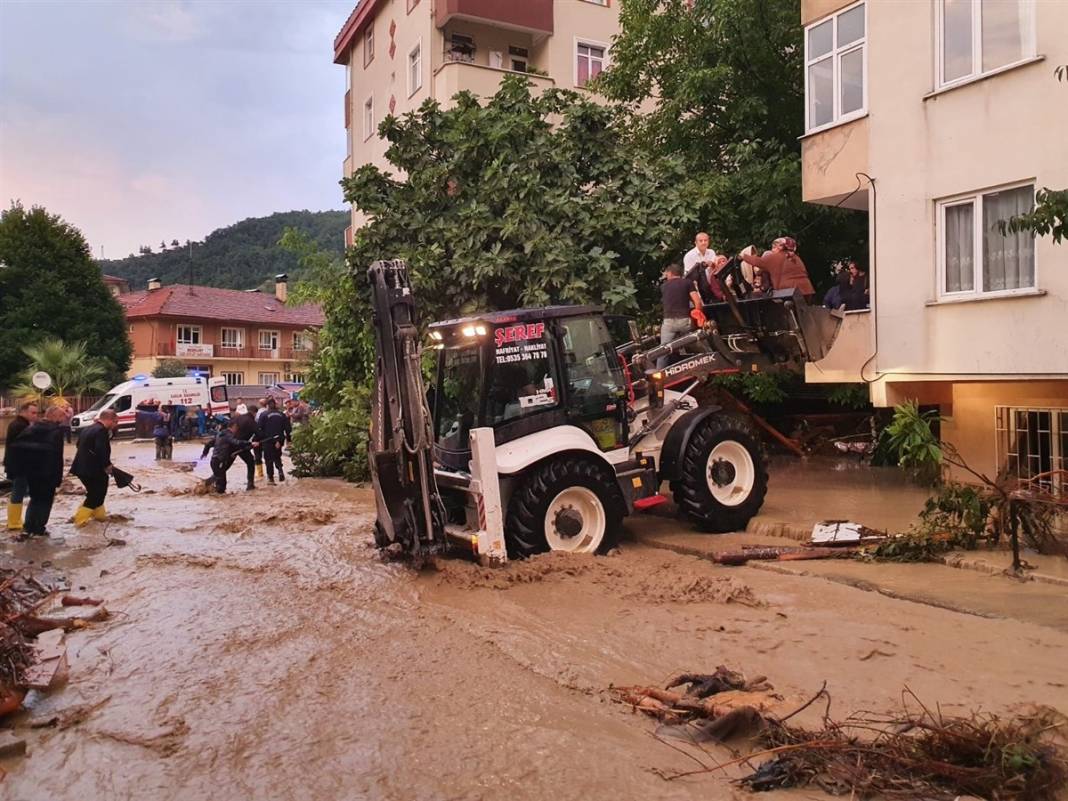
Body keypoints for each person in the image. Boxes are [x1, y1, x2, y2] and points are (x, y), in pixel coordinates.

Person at [10, 405, 67, 538]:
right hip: (48, 473)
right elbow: (56, 456)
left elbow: (17, 446)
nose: (64, 419)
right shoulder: (55, 431)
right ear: (54, 416)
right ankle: (39, 528)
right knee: (45, 501)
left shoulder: (32, 428)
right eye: (62, 416)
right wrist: (57, 476)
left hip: (32, 473)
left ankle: (28, 527)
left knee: (35, 499)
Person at [70, 409, 119, 526]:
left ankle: (99, 517)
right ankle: (80, 520)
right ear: (109, 420)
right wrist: (107, 465)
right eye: (115, 422)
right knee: (96, 494)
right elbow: (101, 450)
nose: (116, 425)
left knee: (95, 492)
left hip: (80, 468)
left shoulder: (88, 429)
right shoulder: (101, 431)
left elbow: (78, 445)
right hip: (92, 470)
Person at [658, 263, 705, 369]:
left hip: (668, 322)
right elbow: (697, 302)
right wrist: (697, 315)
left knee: (663, 350)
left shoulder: (663, 286)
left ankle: (658, 374)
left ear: (670, 273)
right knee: (697, 343)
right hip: (684, 321)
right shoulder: (687, 283)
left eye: (667, 274)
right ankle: (708, 361)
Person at [739, 236, 815, 301]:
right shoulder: (796, 258)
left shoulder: (775, 257)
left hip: (790, 291)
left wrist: (743, 256)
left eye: (774, 247)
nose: (772, 249)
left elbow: (758, 262)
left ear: (780, 247)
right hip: (807, 290)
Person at [4, 401, 38, 531]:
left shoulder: (20, 424)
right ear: (24, 412)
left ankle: (14, 520)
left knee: (19, 491)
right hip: (19, 466)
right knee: (18, 492)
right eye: (33, 413)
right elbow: (23, 447)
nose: (35, 415)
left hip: (18, 465)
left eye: (36, 413)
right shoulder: (19, 425)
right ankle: (13, 522)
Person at [205, 420, 251, 494]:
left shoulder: (220, 434)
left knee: (218, 479)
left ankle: (207, 488)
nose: (237, 430)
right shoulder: (228, 435)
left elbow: (209, 443)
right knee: (221, 484)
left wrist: (205, 452)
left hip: (214, 460)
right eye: (237, 428)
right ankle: (217, 495)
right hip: (220, 461)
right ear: (234, 426)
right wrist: (249, 443)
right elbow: (236, 442)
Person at [258, 399, 292, 484]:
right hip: (279, 440)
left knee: (268, 459)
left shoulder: (263, 414)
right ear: (275, 405)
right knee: (277, 456)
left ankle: (271, 478)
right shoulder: (282, 415)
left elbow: (259, 428)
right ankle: (280, 470)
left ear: (267, 405)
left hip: (268, 440)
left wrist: (259, 440)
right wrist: (288, 440)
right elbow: (288, 428)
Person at [230, 403, 259, 490]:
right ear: (254, 413)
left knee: (226, 464)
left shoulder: (238, 418)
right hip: (241, 446)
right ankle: (250, 484)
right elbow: (259, 433)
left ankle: (217, 484)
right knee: (251, 462)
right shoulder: (252, 422)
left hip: (231, 443)